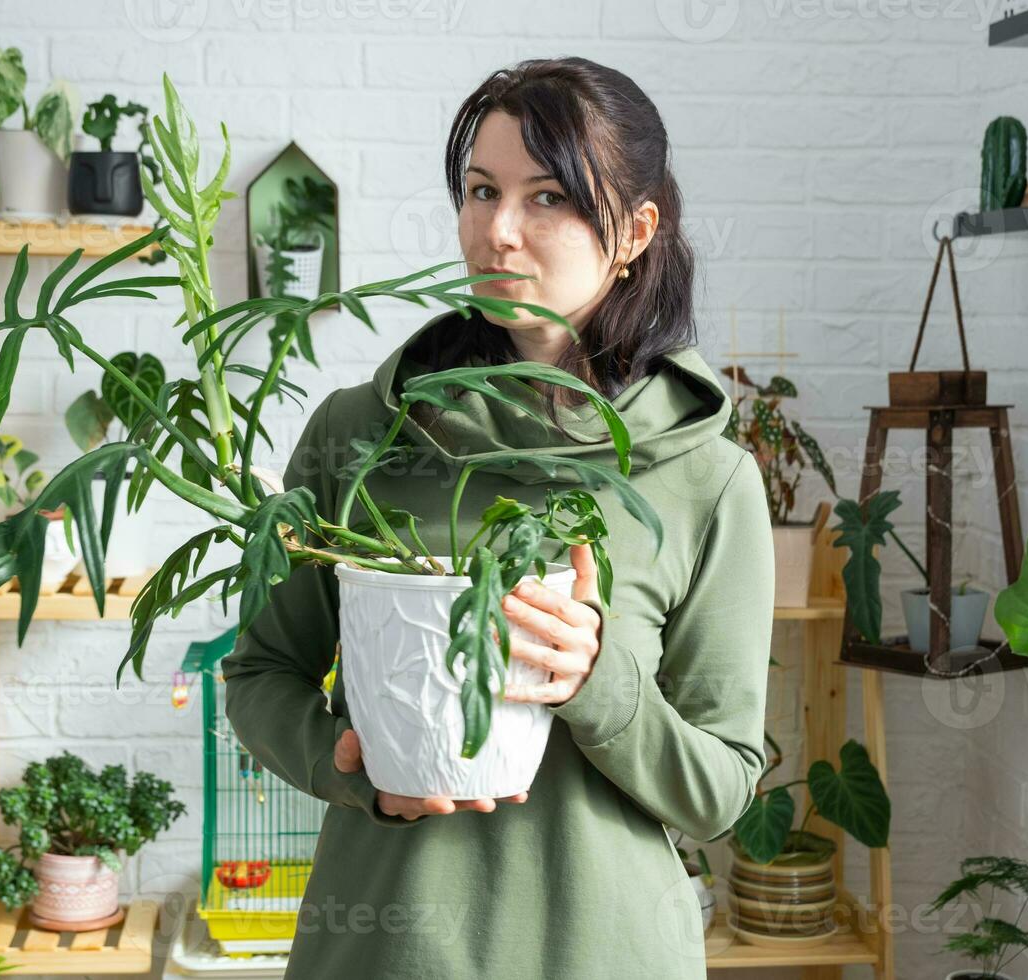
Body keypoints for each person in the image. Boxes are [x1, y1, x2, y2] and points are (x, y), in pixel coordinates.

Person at [222, 56, 774, 979]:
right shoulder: (359, 433)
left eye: (549, 197)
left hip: (608, 953)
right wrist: (352, 768)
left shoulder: (709, 479)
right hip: (382, 951)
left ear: (636, 231)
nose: (498, 232)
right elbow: (261, 675)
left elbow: (720, 792)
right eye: (482, 191)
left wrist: (598, 679)